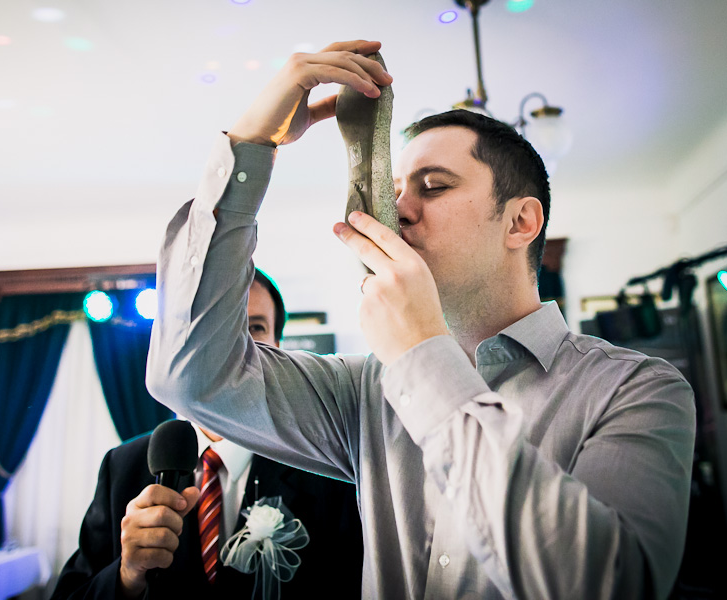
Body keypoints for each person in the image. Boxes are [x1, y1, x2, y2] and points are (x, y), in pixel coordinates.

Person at [145, 39, 696, 599]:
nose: (399, 211)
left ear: (520, 223)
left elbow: (608, 584)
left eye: (434, 187)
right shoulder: (363, 393)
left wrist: (421, 353)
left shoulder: (636, 390)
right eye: (394, 191)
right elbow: (191, 377)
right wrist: (250, 146)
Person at [51, 269, 364, 600]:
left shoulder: (327, 468)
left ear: (278, 347)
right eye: (216, 327)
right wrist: (126, 575)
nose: (236, 348)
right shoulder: (122, 467)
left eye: (255, 328)